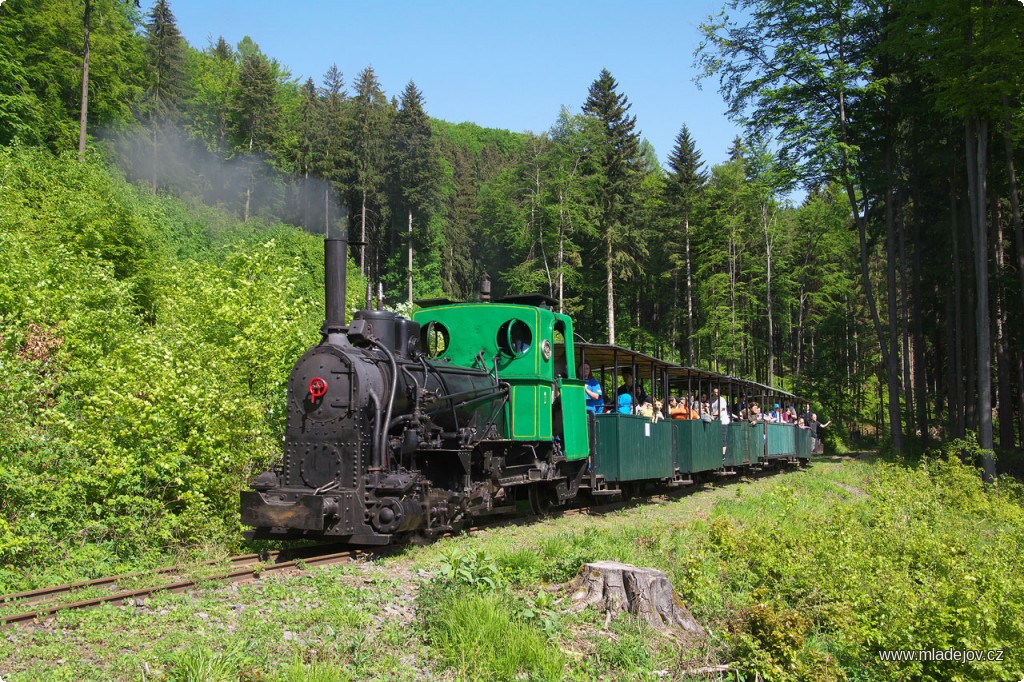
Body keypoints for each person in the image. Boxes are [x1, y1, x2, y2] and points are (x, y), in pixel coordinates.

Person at [711, 388, 731, 456]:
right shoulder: (711, 400)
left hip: (722, 421)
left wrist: (713, 416)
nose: (716, 394)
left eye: (717, 392)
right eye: (715, 392)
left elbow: (720, 409)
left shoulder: (722, 400)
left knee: (722, 438)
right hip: (714, 422)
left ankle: (723, 455)